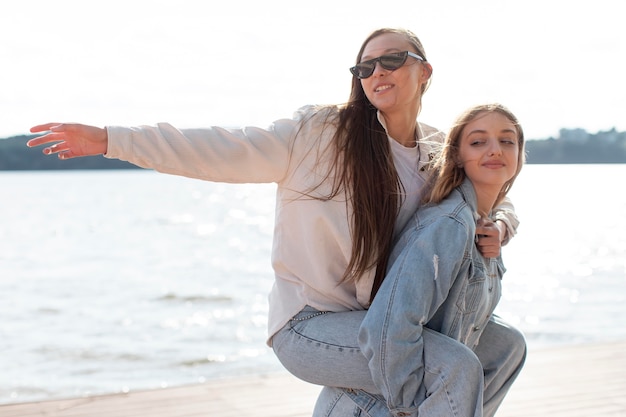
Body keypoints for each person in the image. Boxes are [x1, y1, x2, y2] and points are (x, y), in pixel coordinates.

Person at [28, 28, 524, 416]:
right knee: (451, 366)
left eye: (392, 59)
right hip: (312, 324)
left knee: (503, 346)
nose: (377, 71)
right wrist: (112, 139)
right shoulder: (318, 134)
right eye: (365, 65)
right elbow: (222, 147)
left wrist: (501, 226)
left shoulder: (437, 150)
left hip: (385, 322)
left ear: (425, 71)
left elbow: (490, 194)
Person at [319, 103, 526, 417]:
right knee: (462, 365)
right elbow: (388, 327)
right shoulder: (449, 224)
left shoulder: (483, 222)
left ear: (520, 154)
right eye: (478, 141)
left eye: (507, 140)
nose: (495, 150)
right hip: (370, 406)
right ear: (456, 154)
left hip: (421, 391)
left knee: (508, 345)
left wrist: (503, 224)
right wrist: (408, 408)